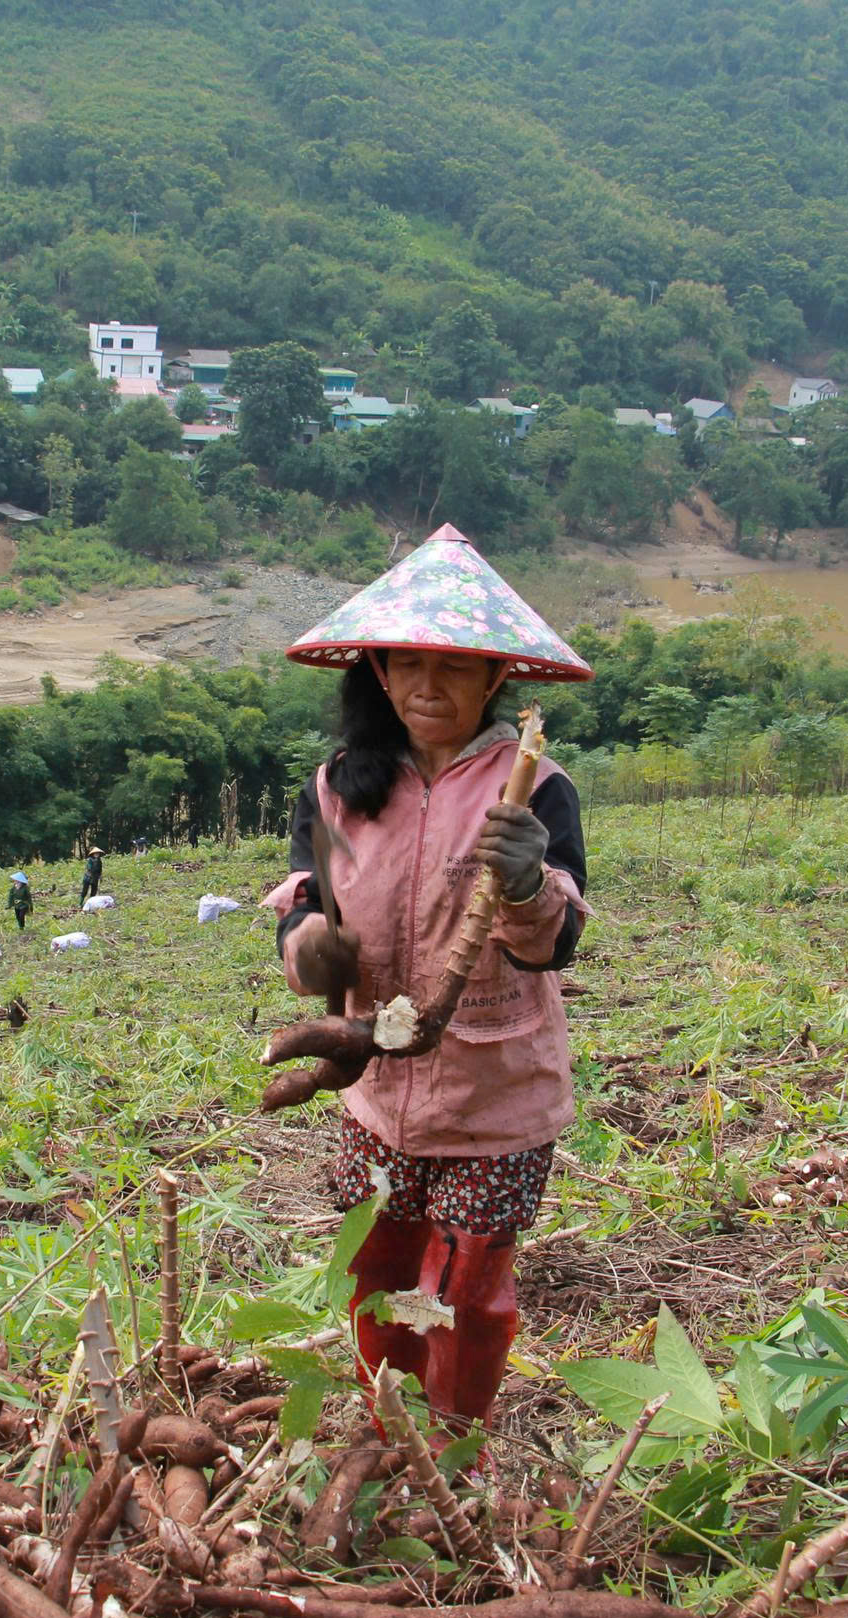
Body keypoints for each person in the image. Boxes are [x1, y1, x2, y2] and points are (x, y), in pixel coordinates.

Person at [264, 525, 592, 1439]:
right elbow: (304, 906)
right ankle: (388, 1427)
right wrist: (312, 949)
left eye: (453, 668)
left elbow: (552, 946)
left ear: (495, 678)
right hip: (375, 1090)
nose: (426, 687)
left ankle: (454, 1444)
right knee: (380, 1268)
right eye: (406, 663)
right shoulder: (336, 787)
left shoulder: (535, 788)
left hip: (497, 1091)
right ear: (375, 668)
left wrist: (526, 880)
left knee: (465, 1285)